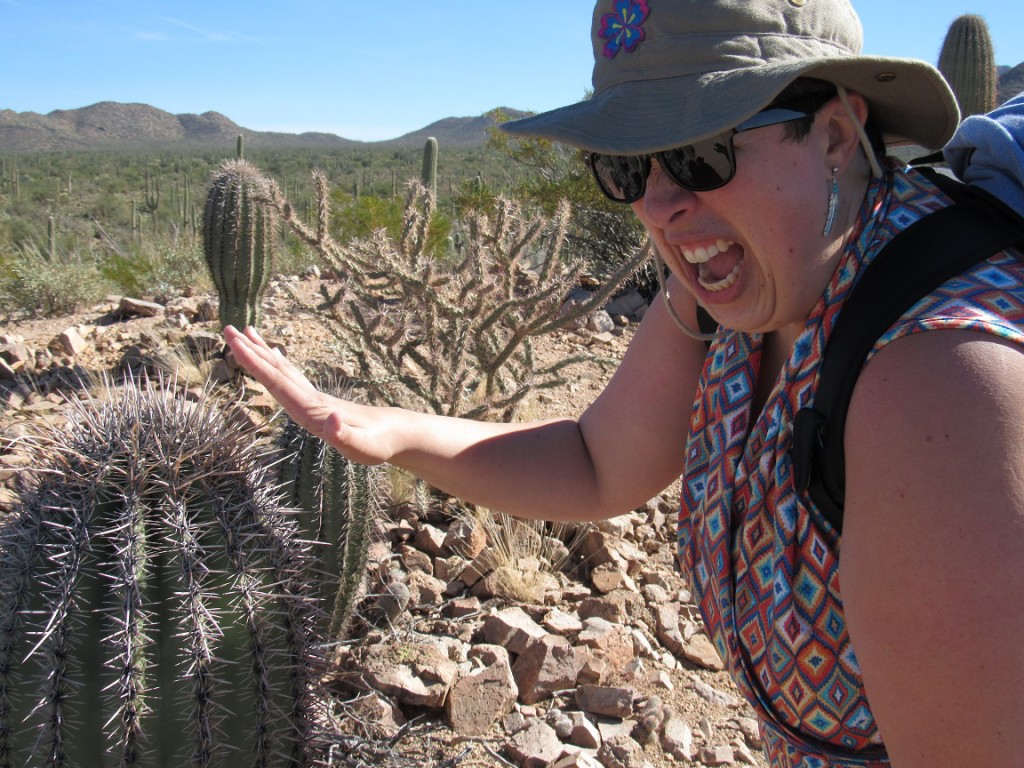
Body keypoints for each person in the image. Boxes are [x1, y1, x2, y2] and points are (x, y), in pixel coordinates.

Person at [224, 0, 1024, 765]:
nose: (661, 205)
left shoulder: (935, 384)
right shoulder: (730, 295)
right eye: (627, 167)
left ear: (838, 135)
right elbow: (597, 460)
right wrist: (390, 431)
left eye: (700, 153)